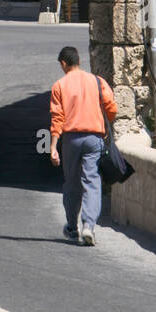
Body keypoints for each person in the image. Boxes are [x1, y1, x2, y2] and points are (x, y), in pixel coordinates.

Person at [49, 45, 117, 247]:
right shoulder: (97, 81)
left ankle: (72, 227)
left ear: (63, 63)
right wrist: (104, 124)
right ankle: (88, 225)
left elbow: (57, 118)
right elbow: (111, 107)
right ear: (79, 61)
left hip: (71, 139)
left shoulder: (59, 85)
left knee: (71, 183)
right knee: (92, 182)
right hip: (94, 137)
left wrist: (53, 147)